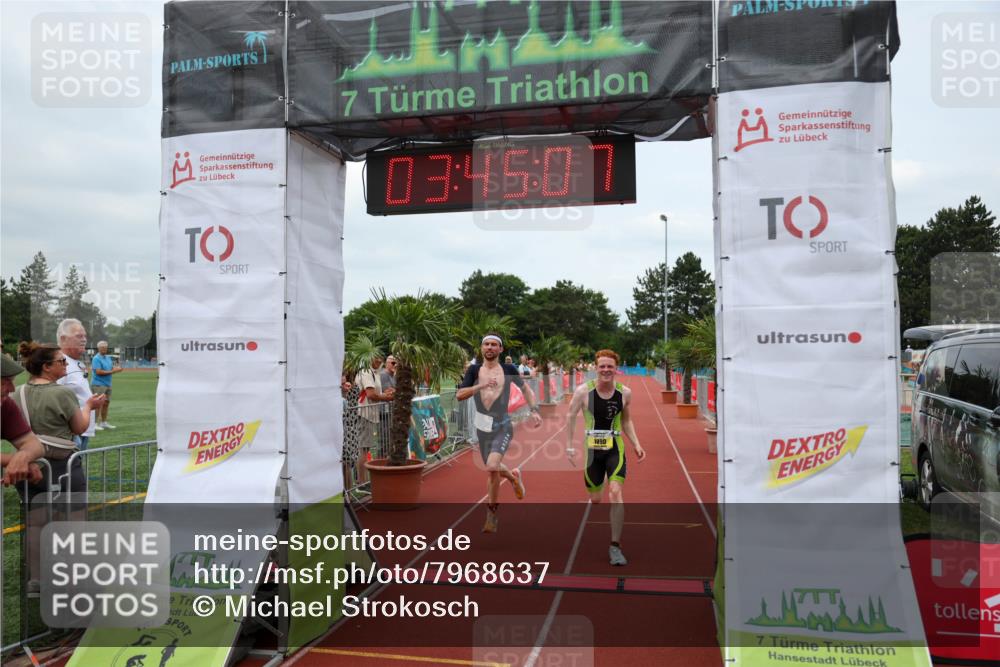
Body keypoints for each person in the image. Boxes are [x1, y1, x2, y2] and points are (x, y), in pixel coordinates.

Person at [565, 349, 645, 566]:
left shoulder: (625, 393)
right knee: (596, 499)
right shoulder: (583, 391)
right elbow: (570, 416)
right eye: (602, 366)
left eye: (610, 366)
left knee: (616, 492)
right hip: (592, 450)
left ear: (616, 368)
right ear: (596, 368)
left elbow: (626, 421)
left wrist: (636, 443)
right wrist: (569, 446)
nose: (606, 370)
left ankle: (615, 546)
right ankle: (596, 492)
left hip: (615, 447)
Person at [457, 334, 542, 533]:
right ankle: (513, 478)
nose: (490, 347)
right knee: (492, 467)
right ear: (481, 348)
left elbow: (527, 390)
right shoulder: (474, 370)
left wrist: (534, 410)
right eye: (486, 344)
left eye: (494, 344)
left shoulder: (509, 369)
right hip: (482, 427)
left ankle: (491, 515)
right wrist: (481, 385)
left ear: (500, 349)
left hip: (502, 425)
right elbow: (460, 395)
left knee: (492, 467)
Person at [1, 354, 46, 486]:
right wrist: (12, 459)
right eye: (5, 382)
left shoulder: (5, 405)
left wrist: (24, 456)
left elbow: (34, 444)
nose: (12, 389)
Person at [56, 318, 97, 450]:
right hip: (71, 432)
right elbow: (54, 400)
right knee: (71, 463)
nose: (84, 339)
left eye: (85, 336)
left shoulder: (77, 363)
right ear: (63, 339)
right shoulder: (58, 363)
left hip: (82, 428)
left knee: (78, 462)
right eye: (79, 336)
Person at [354, 356, 394, 460]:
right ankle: (362, 471)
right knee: (363, 448)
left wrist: (386, 393)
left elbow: (376, 393)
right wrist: (387, 397)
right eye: (376, 357)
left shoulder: (375, 372)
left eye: (380, 358)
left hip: (370, 414)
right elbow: (371, 394)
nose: (379, 360)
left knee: (366, 448)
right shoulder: (366, 371)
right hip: (364, 414)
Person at [91, 340, 122, 430]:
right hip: (98, 384)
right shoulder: (96, 358)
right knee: (97, 404)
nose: (105, 349)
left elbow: (110, 368)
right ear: (99, 348)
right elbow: (98, 372)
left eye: (106, 347)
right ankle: (94, 424)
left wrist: (117, 369)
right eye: (103, 348)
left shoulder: (108, 358)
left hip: (108, 384)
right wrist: (113, 371)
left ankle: (103, 422)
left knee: (106, 403)